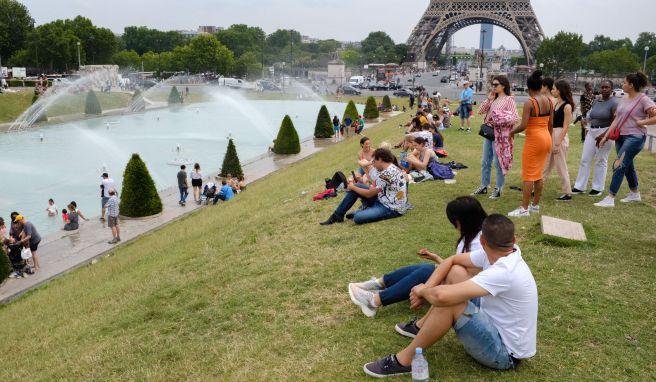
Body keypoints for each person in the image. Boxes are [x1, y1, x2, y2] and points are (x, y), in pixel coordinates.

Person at [362, 215, 537, 377]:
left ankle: (403, 361)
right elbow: (453, 260)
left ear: (482, 240)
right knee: (456, 272)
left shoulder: (505, 271)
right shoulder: (509, 252)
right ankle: (421, 327)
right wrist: (427, 286)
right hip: (493, 322)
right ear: (513, 240)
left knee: (450, 302)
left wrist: (422, 291)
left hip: (504, 354)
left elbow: (441, 297)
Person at [348, 196, 486, 317]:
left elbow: (466, 277)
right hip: (460, 284)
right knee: (428, 267)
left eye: (453, 221)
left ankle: (374, 301)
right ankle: (378, 284)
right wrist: (436, 258)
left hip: (469, 294)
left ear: (462, 220)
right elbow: (459, 269)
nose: (453, 225)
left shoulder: (479, 242)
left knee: (428, 271)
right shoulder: (471, 236)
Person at [594, 72, 656, 208]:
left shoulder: (644, 99)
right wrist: (605, 137)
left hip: (635, 137)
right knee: (628, 166)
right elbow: (617, 119)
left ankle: (610, 197)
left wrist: (642, 122)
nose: (622, 84)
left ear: (631, 85)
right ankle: (635, 194)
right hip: (620, 136)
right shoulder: (624, 99)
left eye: (624, 82)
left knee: (619, 164)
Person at [320, 148, 407, 225]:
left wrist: (352, 187)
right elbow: (374, 186)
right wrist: (356, 186)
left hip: (391, 209)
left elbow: (369, 194)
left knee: (357, 218)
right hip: (384, 200)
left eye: (374, 162)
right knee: (357, 185)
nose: (373, 165)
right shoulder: (391, 167)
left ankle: (362, 212)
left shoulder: (386, 174)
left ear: (380, 159)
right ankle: (337, 215)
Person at [508, 70, 553, 217]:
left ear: (528, 88)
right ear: (541, 86)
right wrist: (549, 139)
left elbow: (524, 125)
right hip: (546, 138)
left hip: (534, 139)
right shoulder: (549, 101)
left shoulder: (530, 102)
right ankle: (535, 206)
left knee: (528, 175)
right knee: (538, 173)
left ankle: (524, 209)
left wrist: (511, 132)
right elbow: (550, 124)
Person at [472, 75, 519, 199]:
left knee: (498, 162)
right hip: (489, 132)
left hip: (500, 135)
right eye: (492, 85)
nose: (493, 87)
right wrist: (488, 99)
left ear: (503, 85)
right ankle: (484, 186)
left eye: (496, 85)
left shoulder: (509, 99)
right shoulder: (493, 98)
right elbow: (480, 111)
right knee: (485, 161)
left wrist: (498, 121)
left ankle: (498, 188)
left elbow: (514, 117)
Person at [572, 81, 618, 196]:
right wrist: (584, 120)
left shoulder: (614, 103)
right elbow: (590, 114)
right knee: (585, 159)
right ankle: (579, 186)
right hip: (591, 132)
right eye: (602, 87)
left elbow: (615, 122)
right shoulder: (597, 101)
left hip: (605, 133)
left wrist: (604, 136)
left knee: (601, 160)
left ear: (612, 89)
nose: (604, 89)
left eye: (607, 87)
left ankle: (597, 188)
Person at [542, 79, 575, 201]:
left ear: (560, 90)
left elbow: (566, 126)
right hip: (552, 135)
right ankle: (537, 187)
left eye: (554, 89)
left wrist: (557, 143)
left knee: (561, 166)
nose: (552, 91)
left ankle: (567, 192)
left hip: (559, 136)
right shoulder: (556, 103)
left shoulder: (567, 106)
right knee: (546, 164)